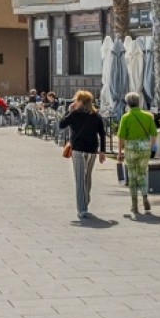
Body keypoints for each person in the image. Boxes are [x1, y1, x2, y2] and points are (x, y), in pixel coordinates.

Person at [59, 90, 108, 221]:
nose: (74, 102)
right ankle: (85, 203)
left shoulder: (74, 114)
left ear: (81, 101)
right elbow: (102, 134)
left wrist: (68, 110)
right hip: (92, 150)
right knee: (87, 178)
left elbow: (61, 124)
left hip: (78, 150)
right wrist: (102, 151)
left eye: (76, 100)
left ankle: (82, 209)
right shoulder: (95, 115)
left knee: (80, 179)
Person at [117, 92, 159, 216]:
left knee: (132, 175)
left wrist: (120, 152)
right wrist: (149, 147)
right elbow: (154, 135)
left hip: (130, 148)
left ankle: (134, 204)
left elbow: (121, 137)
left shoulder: (126, 117)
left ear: (128, 104)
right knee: (142, 173)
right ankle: (145, 197)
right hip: (144, 147)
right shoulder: (148, 116)